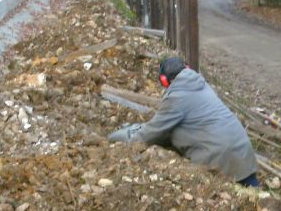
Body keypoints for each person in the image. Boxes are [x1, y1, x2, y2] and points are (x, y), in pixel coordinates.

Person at [109, 57, 259, 186]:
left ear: (165, 80)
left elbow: (151, 132)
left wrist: (121, 137)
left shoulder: (177, 97)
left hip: (219, 158)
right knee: (255, 198)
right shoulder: (201, 84)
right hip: (243, 150)